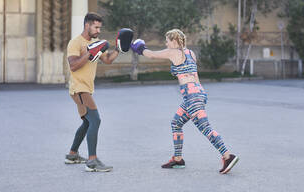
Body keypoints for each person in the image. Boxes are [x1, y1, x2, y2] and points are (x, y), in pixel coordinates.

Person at [131, 29, 238, 174]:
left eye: (167, 41)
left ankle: (228, 156)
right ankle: (178, 159)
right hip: (197, 93)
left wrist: (138, 47)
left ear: (174, 41)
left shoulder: (173, 52)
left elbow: (152, 55)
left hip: (192, 97)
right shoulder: (190, 53)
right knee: (176, 123)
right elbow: (195, 76)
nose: (166, 43)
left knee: (205, 128)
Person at [65, 12, 132, 172]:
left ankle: (72, 155)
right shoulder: (75, 43)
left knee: (87, 122)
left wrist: (119, 49)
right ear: (87, 25)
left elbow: (108, 60)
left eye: (99, 27)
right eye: (96, 27)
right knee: (96, 120)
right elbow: (73, 65)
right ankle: (92, 161)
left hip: (87, 88)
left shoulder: (96, 42)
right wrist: (89, 52)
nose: (98, 30)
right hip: (78, 88)